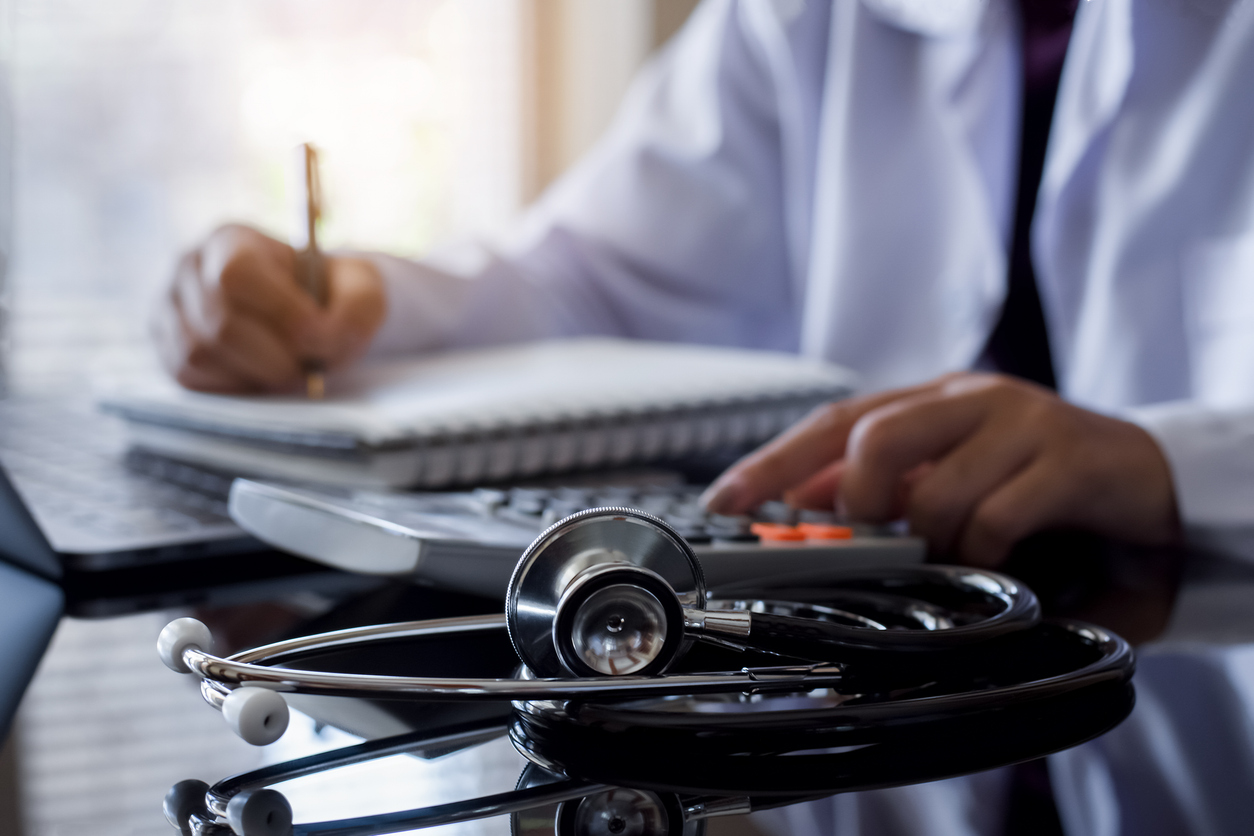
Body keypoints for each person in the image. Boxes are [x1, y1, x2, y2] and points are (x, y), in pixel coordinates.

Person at [155, 1, 1254, 831]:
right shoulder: (800, 18)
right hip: (876, 675)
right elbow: (592, 281)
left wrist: (1166, 460)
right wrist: (352, 302)